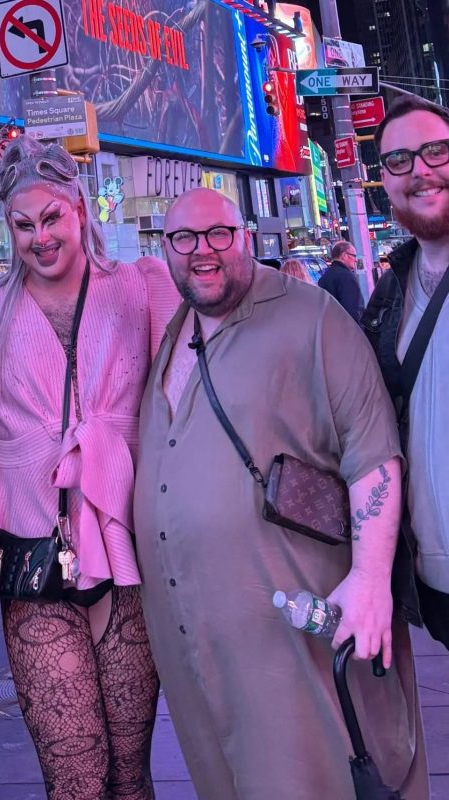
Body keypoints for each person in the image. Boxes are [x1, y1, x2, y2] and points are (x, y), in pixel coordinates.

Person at [133, 188, 428, 800]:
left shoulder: (312, 317)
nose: (202, 252)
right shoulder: (177, 331)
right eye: (183, 239)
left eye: (219, 234)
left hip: (292, 629)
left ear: (246, 236)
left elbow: (372, 453)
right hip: (196, 637)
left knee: (310, 775)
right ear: (167, 249)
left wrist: (372, 579)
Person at [0, 138, 179, 799]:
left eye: (51, 218)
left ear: (81, 212)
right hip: (32, 553)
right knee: (75, 779)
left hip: (127, 552)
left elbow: (198, 372)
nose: (39, 237)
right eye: (22, 224)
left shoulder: (141, 288)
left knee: (129, 775)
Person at [363, 96, 449, 648]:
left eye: (436, 151)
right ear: (384, 182)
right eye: (399, 161)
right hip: (435, 581)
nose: (419, 170)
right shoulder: (390, 291)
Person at [318, 240, 364, 321]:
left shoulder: (325, 277)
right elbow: (352, 310)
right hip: (348, 329)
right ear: (344, 255)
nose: (356, 260)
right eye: (354, 256)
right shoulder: (347, 277)